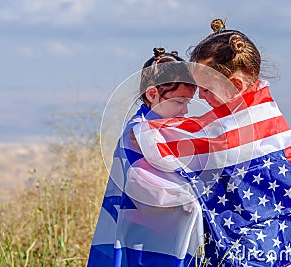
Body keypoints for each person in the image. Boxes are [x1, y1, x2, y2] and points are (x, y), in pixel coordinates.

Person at [133, 19, 291, 266]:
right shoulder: (252, 110)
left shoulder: (255, 120)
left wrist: (149, 129)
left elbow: (198, 137)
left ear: (235, 85)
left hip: (272, 232)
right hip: (261, 232)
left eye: (206, 90)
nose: (202, 97)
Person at [87, 48, 204, 267]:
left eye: (187, 103)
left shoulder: (166, 129)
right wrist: (189, 198)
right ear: (152, 95)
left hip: (162, 233)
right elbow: (142, 184)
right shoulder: (138, 133)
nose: (185, 110)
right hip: (143, 237)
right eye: (179, 102)